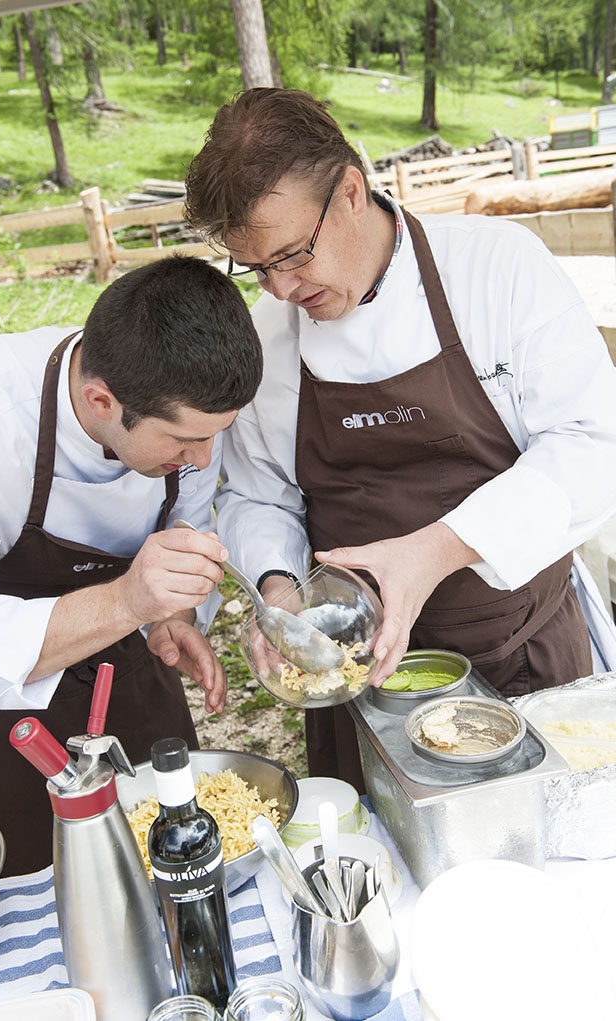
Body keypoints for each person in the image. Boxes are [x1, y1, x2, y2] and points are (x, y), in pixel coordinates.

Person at [184, 87, 616, 790]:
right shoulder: (268, 338)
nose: (282, 288)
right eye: (256, 267)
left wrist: (436, 550)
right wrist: (280, 593)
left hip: (520, 661)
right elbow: (260, 493)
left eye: (294, 255)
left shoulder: (498, 271)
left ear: (351, 191)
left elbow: (595, 444)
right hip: (356, 687)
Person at [0, 255, 263, 874]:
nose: (203, 458)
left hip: (130, 673)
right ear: (100, 400)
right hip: (4, 716)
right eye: (182, 440)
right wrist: (127, 602)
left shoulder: (187, 418)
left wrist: (176, 615)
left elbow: (184, 522)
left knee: (173, 857)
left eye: (217, 433)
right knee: (43, 889)